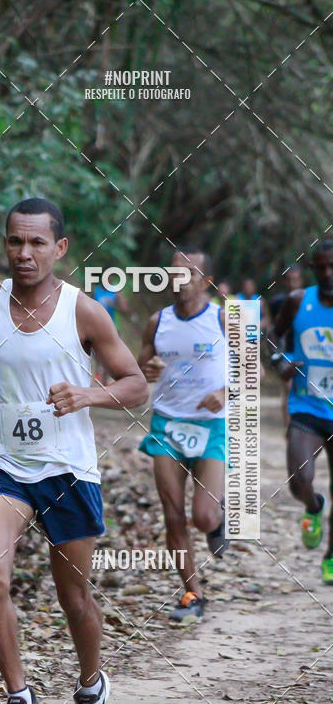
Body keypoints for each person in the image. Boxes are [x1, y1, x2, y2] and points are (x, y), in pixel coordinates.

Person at [0, 197, 148, 704]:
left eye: (37, 242)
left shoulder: (84, 312)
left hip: (67, 469)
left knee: (74, 597)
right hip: (3, 464)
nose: (24, 253)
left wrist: (89, 393)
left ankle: (91, 690)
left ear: (60, 248)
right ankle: (20, 700)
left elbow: (134, 383)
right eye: (15, 241)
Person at [138, 247, 228, 623]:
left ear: (205, 282)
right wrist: (147, 370)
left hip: (211, 426)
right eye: (172, 273)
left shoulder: (225, 319)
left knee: (203, 517)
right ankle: (192, 593)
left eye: (187, 274)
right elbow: (137, 367)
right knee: (173, 516)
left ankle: (219, 520)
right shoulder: (158, 322)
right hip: (167, 424)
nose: (177, 280)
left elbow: (252, 369)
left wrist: (225, 393)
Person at [271, 241, 333, 583]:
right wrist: (279, 362)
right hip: (306, 405)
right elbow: (272, 337)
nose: (328, 274)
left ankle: (332, 557)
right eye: (321, 267)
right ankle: (313, 505)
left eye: (332, 267)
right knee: (299, 480)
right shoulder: (298, 302)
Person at [268, 264, 303, 426]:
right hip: (287, 351)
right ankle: (289, 428)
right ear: (284, 282)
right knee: (288, 389)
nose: (292, 284)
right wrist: (275, 356)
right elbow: (272, 329)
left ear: (300, 280)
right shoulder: (277, 302)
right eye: (289, 280)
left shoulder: (306, 301)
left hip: (305, 353)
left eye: (295, 280)